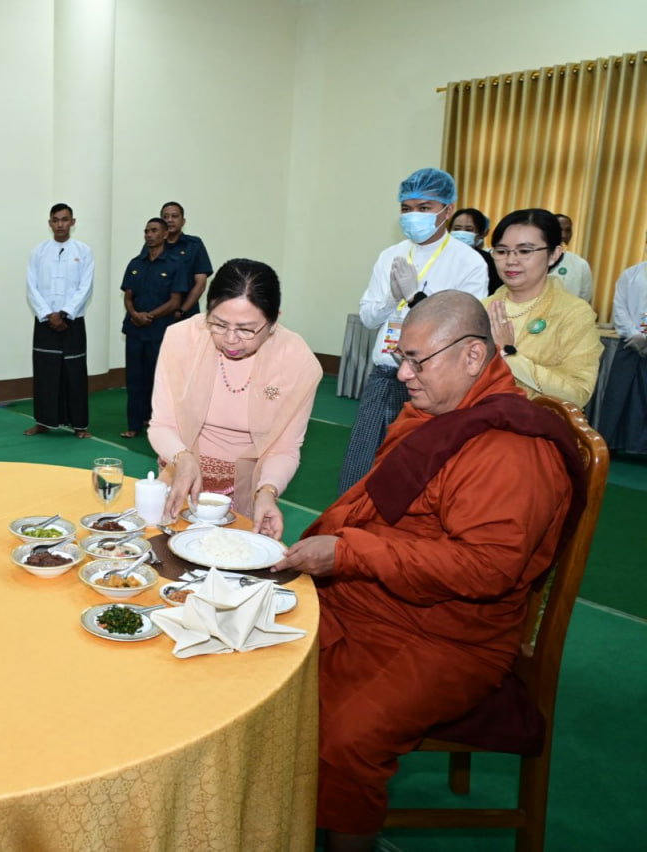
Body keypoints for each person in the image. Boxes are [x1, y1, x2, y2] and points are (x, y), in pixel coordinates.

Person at [274, 291, 584, 852]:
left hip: (449, 636)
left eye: (417, 361)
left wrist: (348, 553)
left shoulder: (513, 451)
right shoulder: (440, 412)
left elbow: (487, 568)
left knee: (345, 739)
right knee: (261, 664)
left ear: (473, 355)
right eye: (401, 358)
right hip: (374, 598)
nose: (403, 375)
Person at [337, 167, 488, 495]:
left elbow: (463, 329)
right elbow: (368, 318)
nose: (413, 216)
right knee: (361, 464)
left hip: (433, 382)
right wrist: (392, 297)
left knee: (416, 469)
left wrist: (416, 296)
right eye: (406, 208)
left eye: (424, 208)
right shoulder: (389, 256)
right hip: (385, 374)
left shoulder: (469, 262)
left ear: (447, 210)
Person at [148, 259, 322, 538]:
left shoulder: (298, 362)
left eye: (246, 329)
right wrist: (183, 459)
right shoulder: (181, 339)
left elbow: (285, 448)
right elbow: (162, 424)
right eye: (218, 324)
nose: (230, 339)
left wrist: (268, 491)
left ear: (274, 321)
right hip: (182, 472)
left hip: (250, 485)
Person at [484, 208, 602, 407]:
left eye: (524, 251)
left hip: (539, 422)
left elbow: (578, 393)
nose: (511, 261)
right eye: (502, 251)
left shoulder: (574, 313)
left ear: (554, 254)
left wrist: (509, 354)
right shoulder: (481, 309)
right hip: (476, 418)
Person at [23, 203, 95, 439]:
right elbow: (31, 287)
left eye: (65, 219)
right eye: (56, 220)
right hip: (45, 322)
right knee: (45, 373)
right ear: (50, 223)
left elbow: (86, 287)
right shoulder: (39, 252)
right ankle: (43, 422)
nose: (60, 224)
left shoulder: (83, 251)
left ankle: (79, 425)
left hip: (73, 322)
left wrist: (64, 313)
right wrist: (49, 314)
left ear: (72, 222)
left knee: (74, 373)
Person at [121, 217, 190, 439]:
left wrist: (149, 316)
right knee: (134, 378)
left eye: (154, 231)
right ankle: (134, 424)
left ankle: (157, 424)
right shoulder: (135, 264)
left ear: (165, 235)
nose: (149, 235)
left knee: (157, 379)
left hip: (159, 332)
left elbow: (175, 301)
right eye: (146, 231)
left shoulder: (175, 265)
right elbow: (128, 296)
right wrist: (135, 315)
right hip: (135, 329)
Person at [599, 243, 647, 452]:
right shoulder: (630, 274)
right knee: (619, 396)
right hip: (630, 344)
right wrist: (635, 335)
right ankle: (613, 445)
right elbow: (619, 307)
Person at [159, 201, 213, 320]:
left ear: (183, 221)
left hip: (185, 314)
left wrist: (181, 311)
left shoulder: (194, 245)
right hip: (155, 315)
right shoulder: (153, 245)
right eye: (165, 217)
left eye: (174, 216)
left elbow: (200, 284)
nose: (170, 220)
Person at [449, 206, 503, 294]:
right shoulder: (439, 256)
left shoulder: (489, 262)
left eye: (468, 229)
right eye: (457, 229)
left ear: (480, 235)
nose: (461, 233)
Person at [552, 213, 595, 303]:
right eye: (559, 230)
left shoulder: (580, 264)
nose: (563, 235)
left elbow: (584, 301)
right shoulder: (532, 260)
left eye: (568, 231)